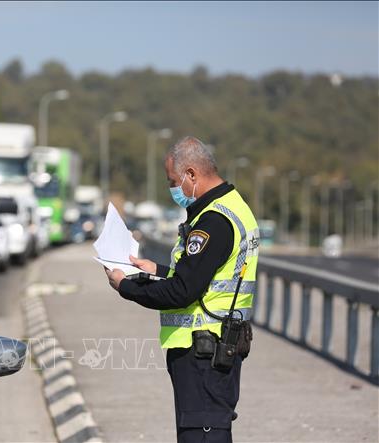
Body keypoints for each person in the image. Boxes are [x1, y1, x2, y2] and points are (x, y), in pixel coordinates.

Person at [105, 136, 259, 443]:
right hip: (214, 349)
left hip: (204, 351)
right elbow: (200, 277)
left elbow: (182, 292)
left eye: (172, 181)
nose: (172, 188)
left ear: (191, 174)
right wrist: (157, 270)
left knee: (202, 434)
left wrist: (125, 286)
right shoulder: (231, 207)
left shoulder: (213, 221)